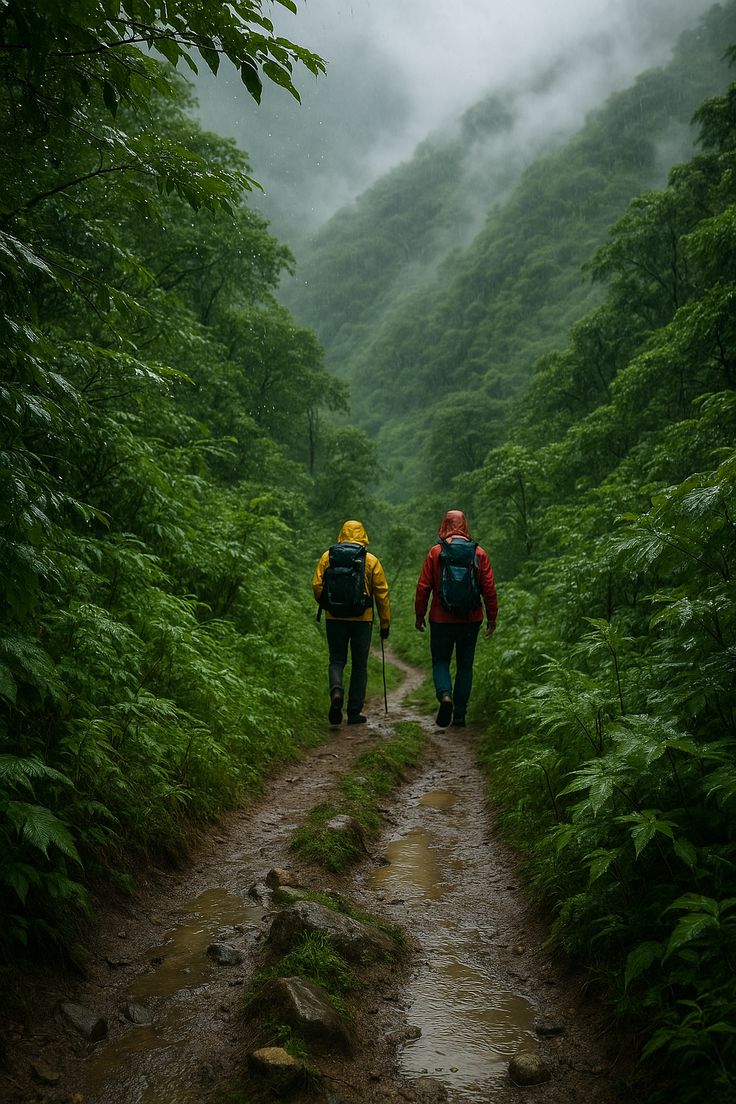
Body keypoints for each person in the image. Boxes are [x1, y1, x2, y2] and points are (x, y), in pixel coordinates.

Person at [415, 509, 497, 728]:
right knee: (465, 666)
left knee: (441, 661)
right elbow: (488, 589)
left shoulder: (436, 552)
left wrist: (419, 614)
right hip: (471, 619)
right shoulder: (478, 553)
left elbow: (423, 587)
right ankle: (460, 714)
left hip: (440, 619)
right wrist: (492, 618)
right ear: (465, 525)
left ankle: (445, 696)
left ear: (445, 524)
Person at [312, 520, 391, 726]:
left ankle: (336, 690)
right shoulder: (371, 560)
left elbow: (317, 586)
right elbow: (382, 594)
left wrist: (330, 604)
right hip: (362, 620)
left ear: (342, 534)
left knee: (336, 660)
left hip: (334, 618)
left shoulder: (328, 556)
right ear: (363, 534)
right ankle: (354, 712)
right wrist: (385, 623)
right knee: (359, 666)